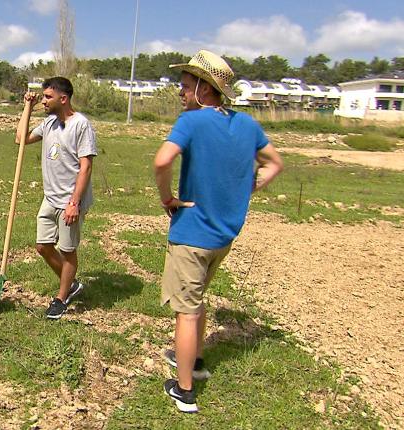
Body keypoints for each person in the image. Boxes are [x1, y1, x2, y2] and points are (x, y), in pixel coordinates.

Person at [154, 50, 283, 412]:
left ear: (205, 89)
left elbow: (162, 160)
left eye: (185, 86)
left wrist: (168, 199)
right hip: (224, 237)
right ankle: (193, 361)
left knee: (187, 312)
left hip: (191, 235)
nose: (181, 93)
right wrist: (247, 189)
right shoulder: (247, 125)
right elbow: (275, 163)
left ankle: (184, 390)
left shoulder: (191, 121)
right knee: (196, 303)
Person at [16, 77, 98, 319]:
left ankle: (61, 299)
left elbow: (86, 168)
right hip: (50, 198)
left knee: (67, 249)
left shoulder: (81, 125)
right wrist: (27, 108)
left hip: (70, 201)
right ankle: (71, 283)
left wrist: (74, 203)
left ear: (63, 98)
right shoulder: (49, 123)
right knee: (42, 247)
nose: (44, 101)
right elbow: (21, 139)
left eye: (47, 97)